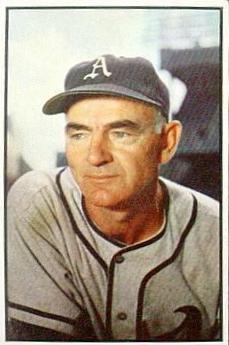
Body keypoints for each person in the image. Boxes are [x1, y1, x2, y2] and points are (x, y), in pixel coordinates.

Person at [7, 54, 220, 341]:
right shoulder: (40, 201)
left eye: (121, 133)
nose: (95, 156)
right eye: (79, 135)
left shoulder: (217, 234)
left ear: (167, 142)